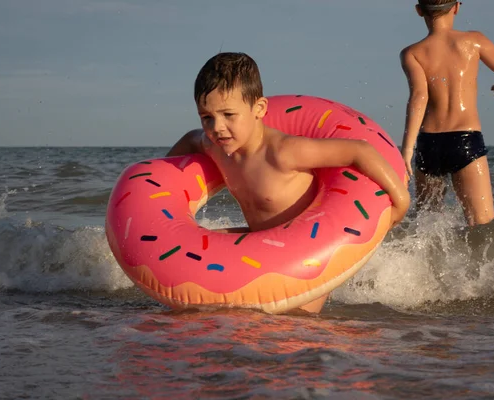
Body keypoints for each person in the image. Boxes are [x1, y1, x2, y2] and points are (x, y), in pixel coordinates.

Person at [167, 52, 410, 313]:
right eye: (207, 117)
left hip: (306, 256)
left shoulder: (284, 151)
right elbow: (191, 139)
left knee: (294, 326)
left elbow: (360, 151)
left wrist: (401, 200)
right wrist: (161, 178)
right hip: (258, 243)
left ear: (258, 109)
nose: (218, 127)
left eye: (228, 114)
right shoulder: (213, 147)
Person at [400, 0, 494, 226]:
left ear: (419, 11)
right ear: (457, 7)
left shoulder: (412, 53)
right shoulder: (473, 41)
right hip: (464, 140)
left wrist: (407, 150)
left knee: (426, 225)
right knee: (482, 225)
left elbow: (419, 97)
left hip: (428, 144)